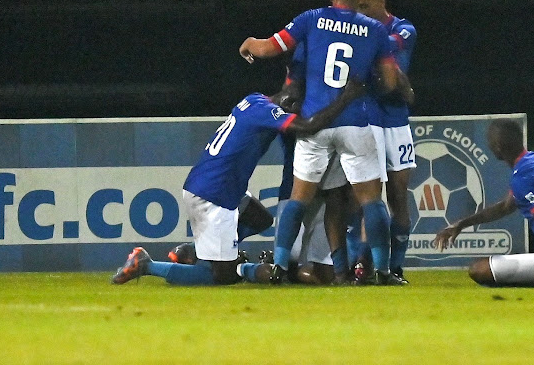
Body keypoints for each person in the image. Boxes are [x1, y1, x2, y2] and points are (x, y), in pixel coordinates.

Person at [239, 0, 412, 285]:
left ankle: (278, 267)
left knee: (298, 198)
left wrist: (251, 43)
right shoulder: (374, 30)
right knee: (371, 200)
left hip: (315, 125)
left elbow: (269, 48)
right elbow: (389, 82)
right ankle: (384, 271)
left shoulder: (311, 19)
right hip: (355, 123)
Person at [110, 79, 364, 285]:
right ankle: (147, 265)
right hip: (214, 194)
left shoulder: (253, 100)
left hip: (217, 185)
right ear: (287, 102)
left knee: (260, 218)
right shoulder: (269, 113)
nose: (298, 114)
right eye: (298, 107)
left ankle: (194, 251)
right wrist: (346, 98)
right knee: (221, 276)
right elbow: (309, 125)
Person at [434, 119, 534, 288]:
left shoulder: (523, 178)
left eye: (490, 141)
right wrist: (461, 224)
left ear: (498, 147)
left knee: (479, 270)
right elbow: (505, 207)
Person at [348, 0, 417, 283]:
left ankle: (397, 265)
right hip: (367, 118)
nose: (360, 11)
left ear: (380, 2)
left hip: (396, 121)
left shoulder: (403, 28)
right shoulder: (360, 29)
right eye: (356, 6)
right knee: (367, 197)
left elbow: (388, 54)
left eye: (365, 6)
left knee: (399, 195)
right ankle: (364, 264)